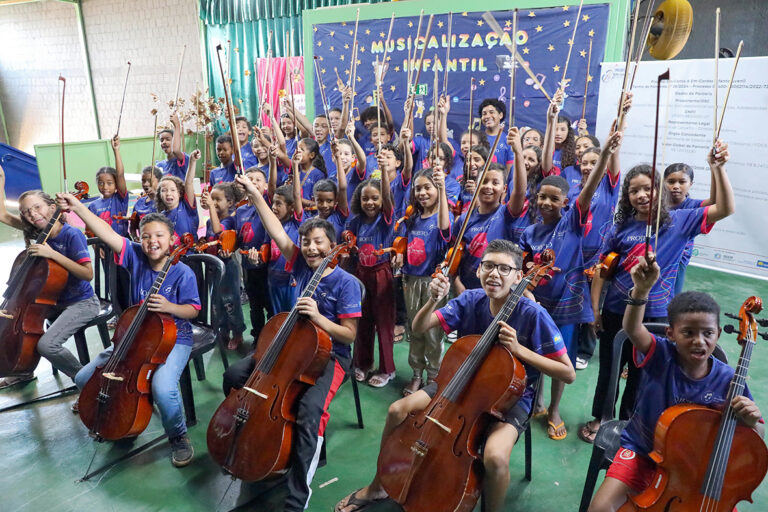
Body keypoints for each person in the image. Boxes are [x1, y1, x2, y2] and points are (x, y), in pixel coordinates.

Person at [334, 240, 575, 512]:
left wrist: (519, 350)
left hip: (510, 399)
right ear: (479, 269)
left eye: (504, 269)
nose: (494, 274)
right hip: (457, 382)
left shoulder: (533, 314)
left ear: (519, 276)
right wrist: (433, 299)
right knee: (396, 410)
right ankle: (378, 486)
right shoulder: (471, 299)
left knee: (495, 458)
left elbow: (568, 373)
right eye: (488, 266)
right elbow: (419, 326)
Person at [581, 140, 736, 443]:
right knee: (609, 369)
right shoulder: (620, 228)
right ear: (627, 196)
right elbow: (602, 270)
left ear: (659, 191)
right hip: (616, 310)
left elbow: (726, 208)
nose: (641, 195)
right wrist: (595, 308)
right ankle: (601, 417)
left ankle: (628, 421)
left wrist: (718, 168)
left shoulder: (680, 221)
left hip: (654, 313)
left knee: (642, 373)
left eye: (648, 188)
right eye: (634, 190)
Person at [587, 254, 763, 511]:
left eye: (708, 333)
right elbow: (633, 329)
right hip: (643, 452)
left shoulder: (729, 379)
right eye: (688, 333)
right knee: (600, 508)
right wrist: (641, 290)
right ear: (670, 334)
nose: (699, 341)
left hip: (695, 467)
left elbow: (755, 435)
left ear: (717, 334)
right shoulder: (661, 354)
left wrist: (750, 420)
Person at [229, 174, 362, 512]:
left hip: (331, 356)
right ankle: (258, 435)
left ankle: (298, 495)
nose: (311, 248)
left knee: (310, 410)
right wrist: (255, 193)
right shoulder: (301, 264)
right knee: (235, 376)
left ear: (332, 245)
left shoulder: (346, 283)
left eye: (318, 242)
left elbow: (349, 335)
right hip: (292, 346)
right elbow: (275, 228)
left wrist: (318, 317)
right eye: (305, 242)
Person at [58, 192, 200, 467]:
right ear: (139, 239)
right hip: (133, 335)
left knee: (163, 388)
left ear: (172, 240)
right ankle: (119, 413)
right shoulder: (135, 255)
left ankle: (178, 435)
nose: (152, 241)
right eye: (146, 236)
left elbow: (193, 310)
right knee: (84, 378)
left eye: (159, 236)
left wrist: (170, 306)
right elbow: (106, 232)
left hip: (174, 339)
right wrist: (78, 208)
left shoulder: (183, 272)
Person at [519, 111, 623, 441]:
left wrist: (605, 155)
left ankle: (554, 409)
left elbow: (588, 191)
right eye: (542, 197)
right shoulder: (529, 232)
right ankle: (534, 401)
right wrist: (527, 291)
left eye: (555, 198)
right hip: (537, 304)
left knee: (559, 358)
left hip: (566, 305)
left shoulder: (572, 222)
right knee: (533, 353)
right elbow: (523, 269)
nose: (547, 202)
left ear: (566, 202)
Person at [0, 166, 99, 389]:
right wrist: (2, 178)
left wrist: (52, 254)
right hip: (53, 302)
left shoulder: (71, 235)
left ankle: (85, 381)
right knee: (17, 327)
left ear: (52, 208)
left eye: (37, 207)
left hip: (81, 302)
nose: (33, 214)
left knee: (46, 345)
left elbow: (87, 274)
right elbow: (2, 214)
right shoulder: (36, 230)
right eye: (26, 212)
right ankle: (22, 370)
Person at [344, 146, 397, 388]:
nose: (370, 202)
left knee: (384, 323)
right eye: (365, 198)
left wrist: (384, 171)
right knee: (362, 320)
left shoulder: (385, 219)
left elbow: (387, 198)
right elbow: (350, 245)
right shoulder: (356, 221)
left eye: (375, 198)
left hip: (382, 274)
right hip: (361, 275)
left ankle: (387, 369)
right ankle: (363, 363)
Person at [397, 167, 451, 396]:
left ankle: (433, 376)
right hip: (411, 280)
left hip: (432, 282)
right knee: (415, 329)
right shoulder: (413, 218)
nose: (422, 192)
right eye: (418, 188)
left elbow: (445, 229)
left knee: (433, 333)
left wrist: (443, 188)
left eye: (427, 187)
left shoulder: (442, 218)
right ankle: (417, 374)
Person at [201, 182, 246, 350]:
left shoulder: (230, 220)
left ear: (230, 202)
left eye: (217, 199)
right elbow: (211, 237)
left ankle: (238, 333)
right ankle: (223, 329)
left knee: (230, 302)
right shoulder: (208, 222)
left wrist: (210, 207)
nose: (213, 202)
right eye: (211, 199)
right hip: (213, 268)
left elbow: (218, 231)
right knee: (216, 303)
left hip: (227, 268)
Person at [663, 161, 716, 295]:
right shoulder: (657, 204)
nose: (676, 186)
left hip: (678, 262)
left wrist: (715, 169)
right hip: (658, 255)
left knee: (672, 298)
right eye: (671, 182)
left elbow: (715, 201)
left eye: (682, 182)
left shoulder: (694, 205)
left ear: (690, 184)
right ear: (663, 182)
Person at [235, 167, 273, 344]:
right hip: (248, 267)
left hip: (267, 267)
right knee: (254, 306)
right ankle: (258, 337)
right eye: (250, 179)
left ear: (265, 185)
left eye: (258, 180)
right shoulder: (240, 211)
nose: (254, 182)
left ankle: (272, 340)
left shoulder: (268, 204)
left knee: (270, 305)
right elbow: (239, 238)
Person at [86, 135, 130, 237]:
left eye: (110, 183)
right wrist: (95, 243)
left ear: (116, 184)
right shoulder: (93, 206)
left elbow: (120, 175)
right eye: (101, 183)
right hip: (102, 243)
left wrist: (116, 151)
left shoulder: (120, 199)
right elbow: (89, 230)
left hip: (122, 241)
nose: (105, 187)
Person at [156, 149, 200, 242]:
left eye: (172, 190)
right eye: (164, 190)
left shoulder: (187, 207)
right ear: (159, 195)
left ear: (179, 193)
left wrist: (192, 161)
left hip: (192, 250)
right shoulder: (161, 216)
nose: (168, 193)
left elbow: (188, 183)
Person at [156, 113, 189, 180]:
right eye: (161, 140)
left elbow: (175, 150)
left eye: (168, 139)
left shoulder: (183, 159)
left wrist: (177, 125)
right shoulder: (159, 165)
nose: (164, 142)